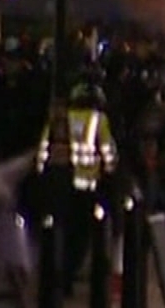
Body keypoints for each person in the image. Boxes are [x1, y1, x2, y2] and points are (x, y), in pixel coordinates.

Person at [37, 82, 117, 296]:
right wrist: (109, 171)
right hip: (86, 186)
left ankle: (55, 277)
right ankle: (68, 275)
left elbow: (44, 147)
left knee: (58, 231)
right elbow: (108, 151)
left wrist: (42, 175)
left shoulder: (60, 118)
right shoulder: (99, 119)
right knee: (80, 235)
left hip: (59, 184)